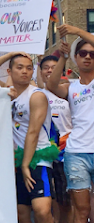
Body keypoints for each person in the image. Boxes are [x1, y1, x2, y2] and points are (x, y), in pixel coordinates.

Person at [0, 51, 58, 223]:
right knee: (21, 213)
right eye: (19, 67)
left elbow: (33, 131)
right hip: (15, 160)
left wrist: (25, 165)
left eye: (29, 68)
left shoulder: (36, 95)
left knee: (42, 211)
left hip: (38, 159)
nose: (25, 71)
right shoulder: (7, 93)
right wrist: (12, 53)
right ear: (9, 72)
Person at [46, 24, 94, 223]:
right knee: (81, 210)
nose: (88, 56)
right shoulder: (71, 88)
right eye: (83, 53)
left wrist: (77, 31)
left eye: (92, 53)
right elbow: (51, 85)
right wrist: (63, 57)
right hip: (76, 154)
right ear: (77, 58)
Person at [38, 55, 73, 223]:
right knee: (50, 199)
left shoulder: (69, 91)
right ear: (41, 71)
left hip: (66, 151)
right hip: (44, 153)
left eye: (54, 66)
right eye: (46, 67)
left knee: (66, 199)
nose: (50, 70)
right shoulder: (36, 93)